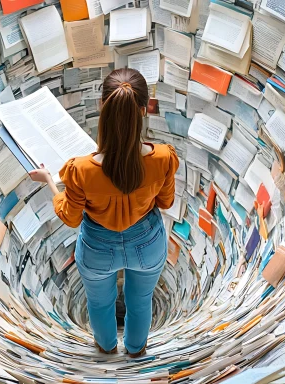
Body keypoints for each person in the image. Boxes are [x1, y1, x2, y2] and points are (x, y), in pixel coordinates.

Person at [28, 68, 179, 357]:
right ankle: (136, 350)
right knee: (141, 300)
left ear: (102, 106)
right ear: (145, 109)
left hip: (98, 247)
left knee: (99, 303)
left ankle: (107, 348)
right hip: (147, 242)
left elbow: (71, 217)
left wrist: (49, 180)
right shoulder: (163, 158)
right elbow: (166, 202)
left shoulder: (81, 170)